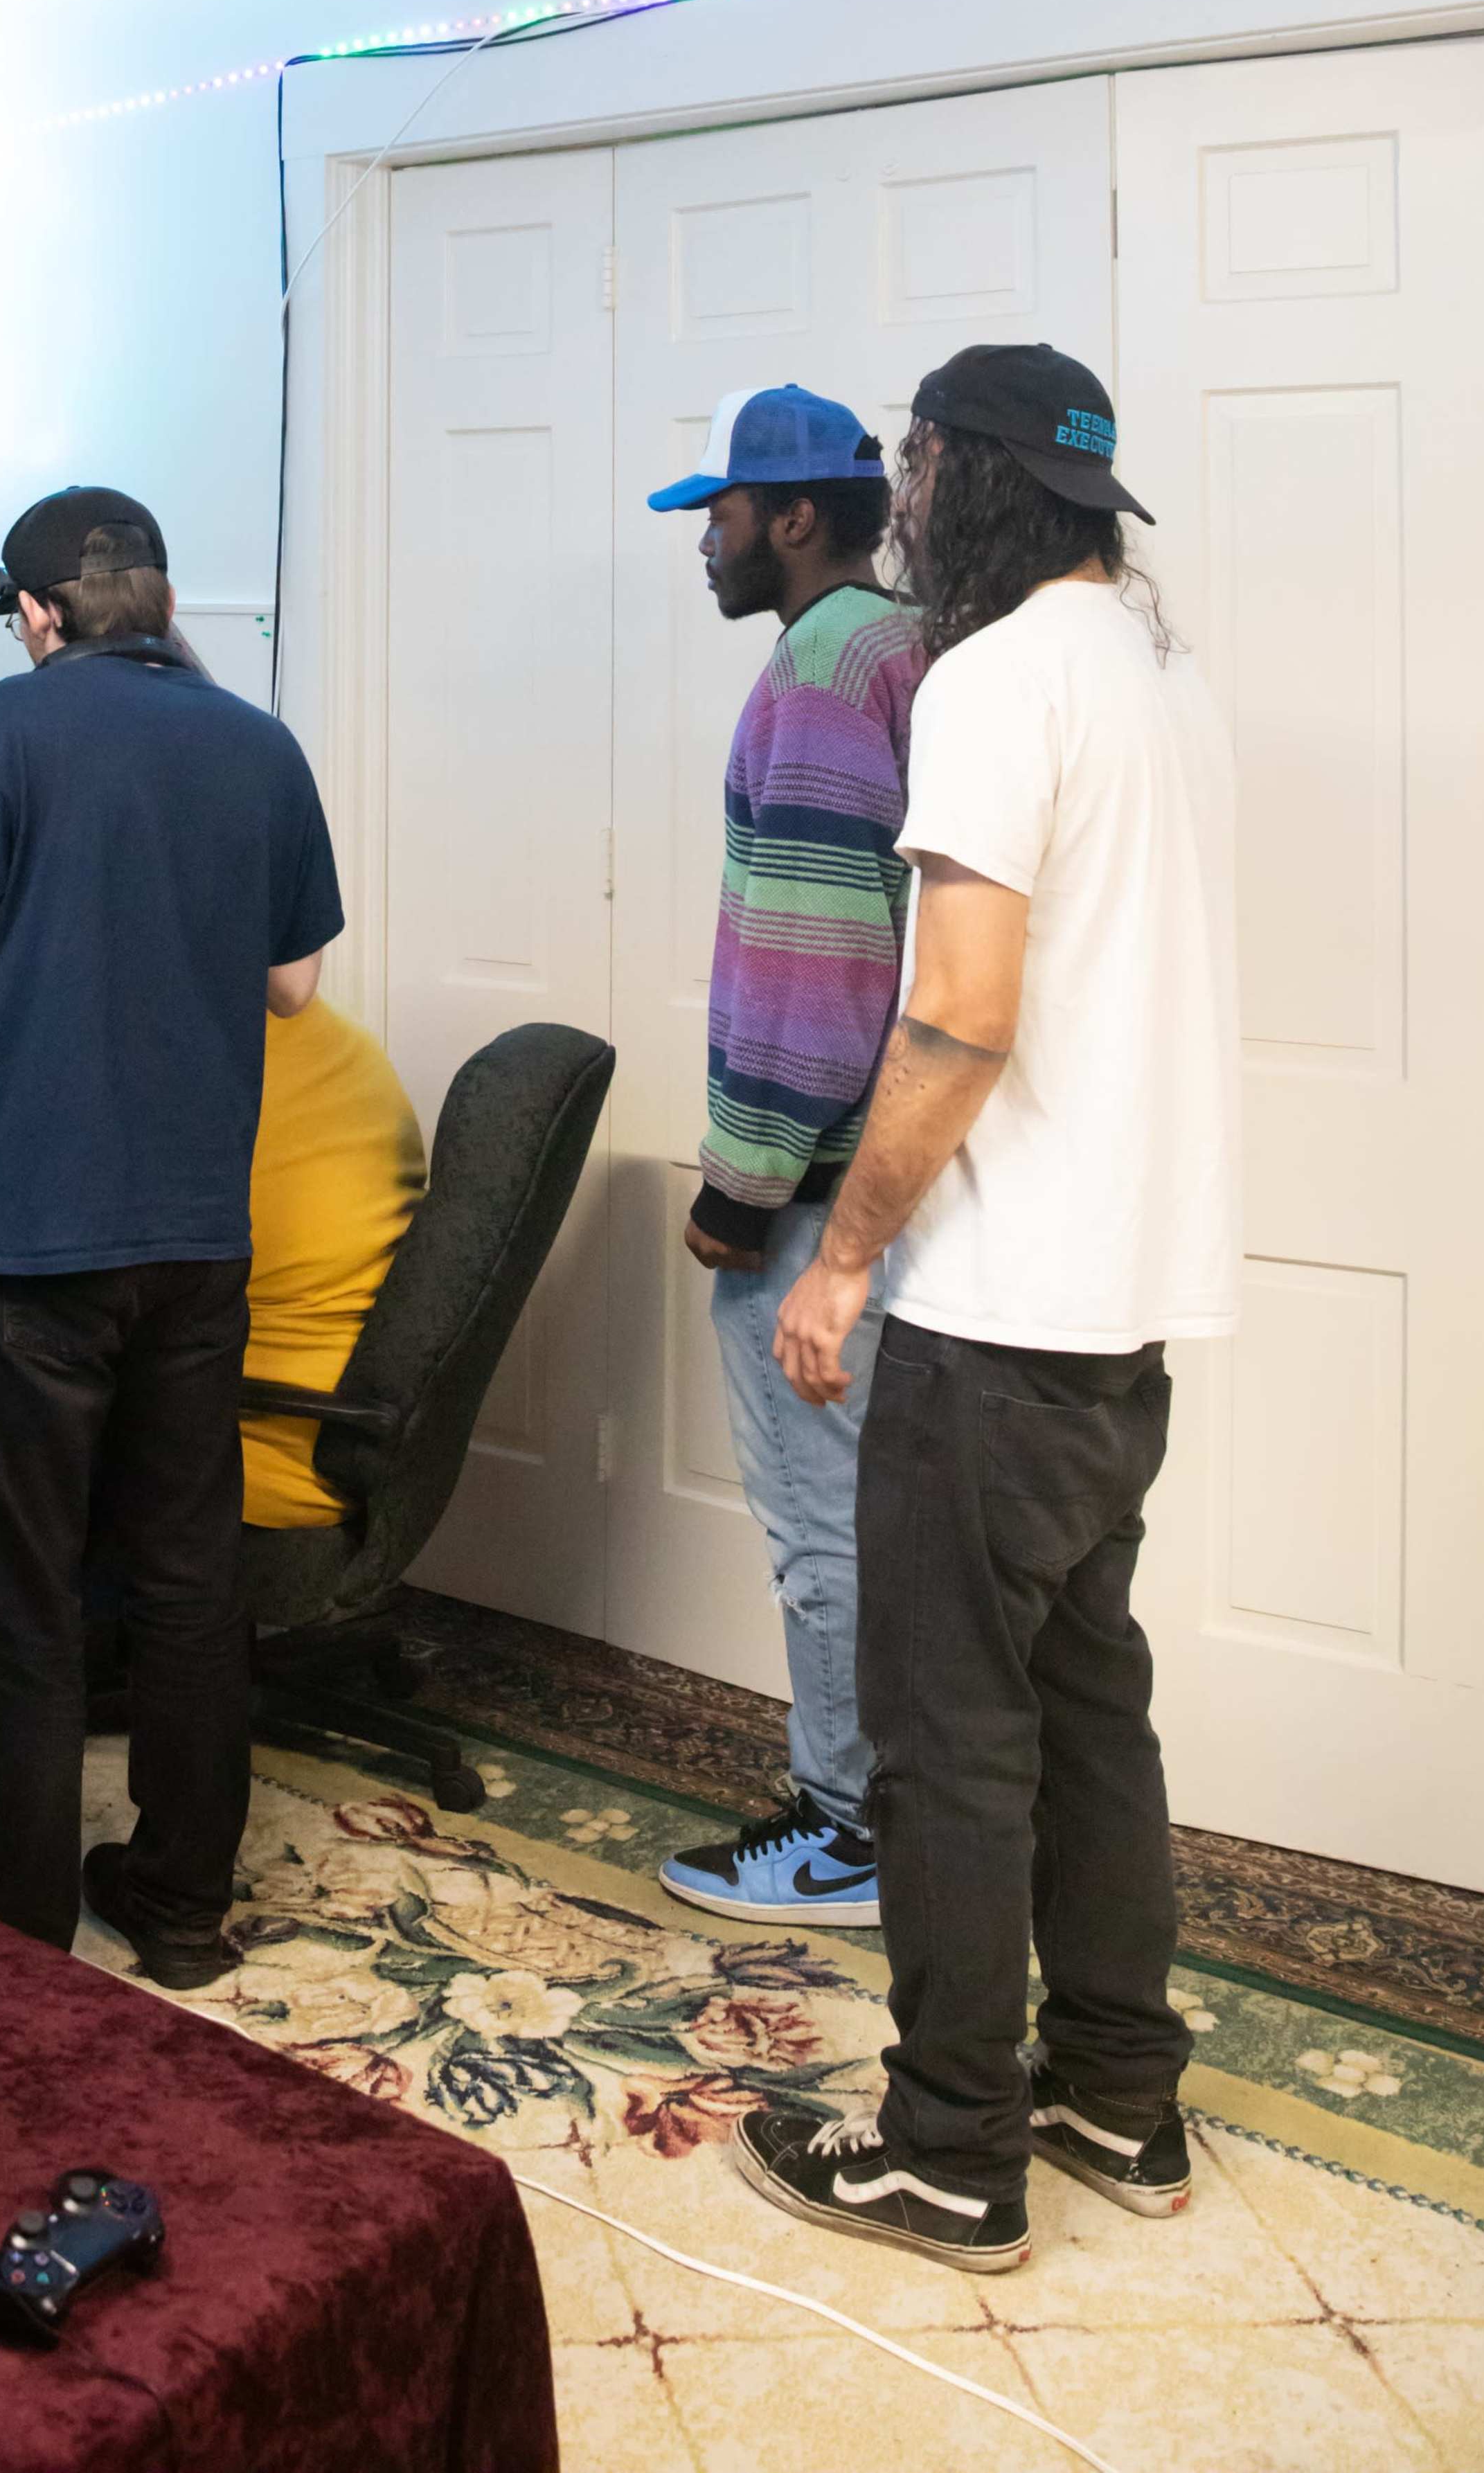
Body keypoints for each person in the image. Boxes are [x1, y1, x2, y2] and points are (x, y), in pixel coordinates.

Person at [732, 345, 1239, 2274]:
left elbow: (957, 1010)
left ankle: (950, 2148)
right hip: (1125, 1319)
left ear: (972, 477)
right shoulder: (1160, 672)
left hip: (1001, 1307)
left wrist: (848, 1253)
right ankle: (1119, 2086)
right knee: (1091, 1708)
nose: (901, 493)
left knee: (951, 1739)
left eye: (919, 458)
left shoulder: (995, 679)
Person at [0, 485, 343, 1991]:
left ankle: (15, 1923)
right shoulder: (259, 743)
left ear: (35, 613)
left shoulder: (13, 732)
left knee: (23, 1587)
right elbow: (295, 987)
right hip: (197, 1238)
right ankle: (182, 1903)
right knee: (190, 1578)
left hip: (32, 1248)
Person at [0, 995, 424, 1741]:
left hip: (238, 1443)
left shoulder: (167, 1075)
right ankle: (37, 1628)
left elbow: (18, 1273)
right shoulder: (339, 1049)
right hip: (331, 1418)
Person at [643, 386, 922, 1927]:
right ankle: (894, 1814)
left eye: (723, 511)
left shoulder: (823, 674)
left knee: (826, 1524)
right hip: (892, 1170)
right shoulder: (906, 645)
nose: (707, 538)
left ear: (796, 516)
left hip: (813, 1190)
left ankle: (845, 1831)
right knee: (882, 1513)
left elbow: (817, 981)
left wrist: (736, 1193)